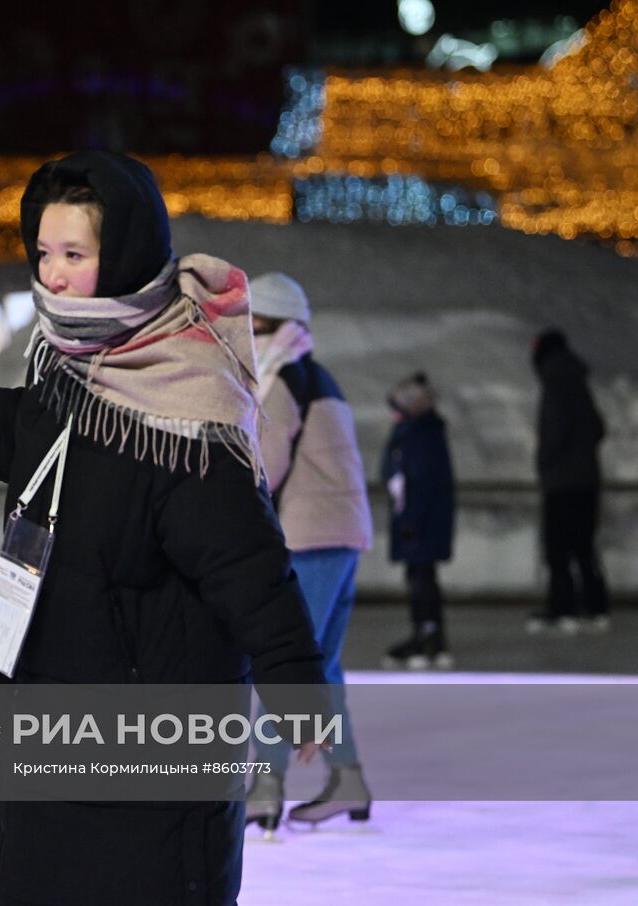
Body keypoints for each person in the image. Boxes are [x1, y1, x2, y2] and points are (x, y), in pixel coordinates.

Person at [0, 151, 327, 906]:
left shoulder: (186, 412)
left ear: (126, 255)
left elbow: (250, 570)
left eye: (74, 255)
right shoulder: (70, 363)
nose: (53, 275)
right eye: (44, 253)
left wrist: (299, 687)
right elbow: (21, 431)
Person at [242, 272, 373, 833]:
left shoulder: (284, 379)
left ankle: (265, 788)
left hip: (310, 539)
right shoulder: (321, 377)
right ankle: (347, 779)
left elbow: (263, 466)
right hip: (343, 537)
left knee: (285, 663)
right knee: (323, 666)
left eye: (252, 324)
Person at [527, 328, 609, 634]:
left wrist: (544, 459)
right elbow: (598, 428)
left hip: (562, 483)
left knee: (558, 549)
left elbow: (556, 432)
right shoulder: (579, 382)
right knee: (584, 547)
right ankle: (595, 605)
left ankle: (563, 608)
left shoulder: (555, 383)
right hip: (587, 480)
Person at [380, 372, 456, 669]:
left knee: (421, 580)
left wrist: (411, 521)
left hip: (420, 523)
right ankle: (429, 637)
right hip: (420, 521)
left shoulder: (419, 435)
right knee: (421, 578)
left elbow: (421, 482)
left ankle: (427, 637)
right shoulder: (418, 432)